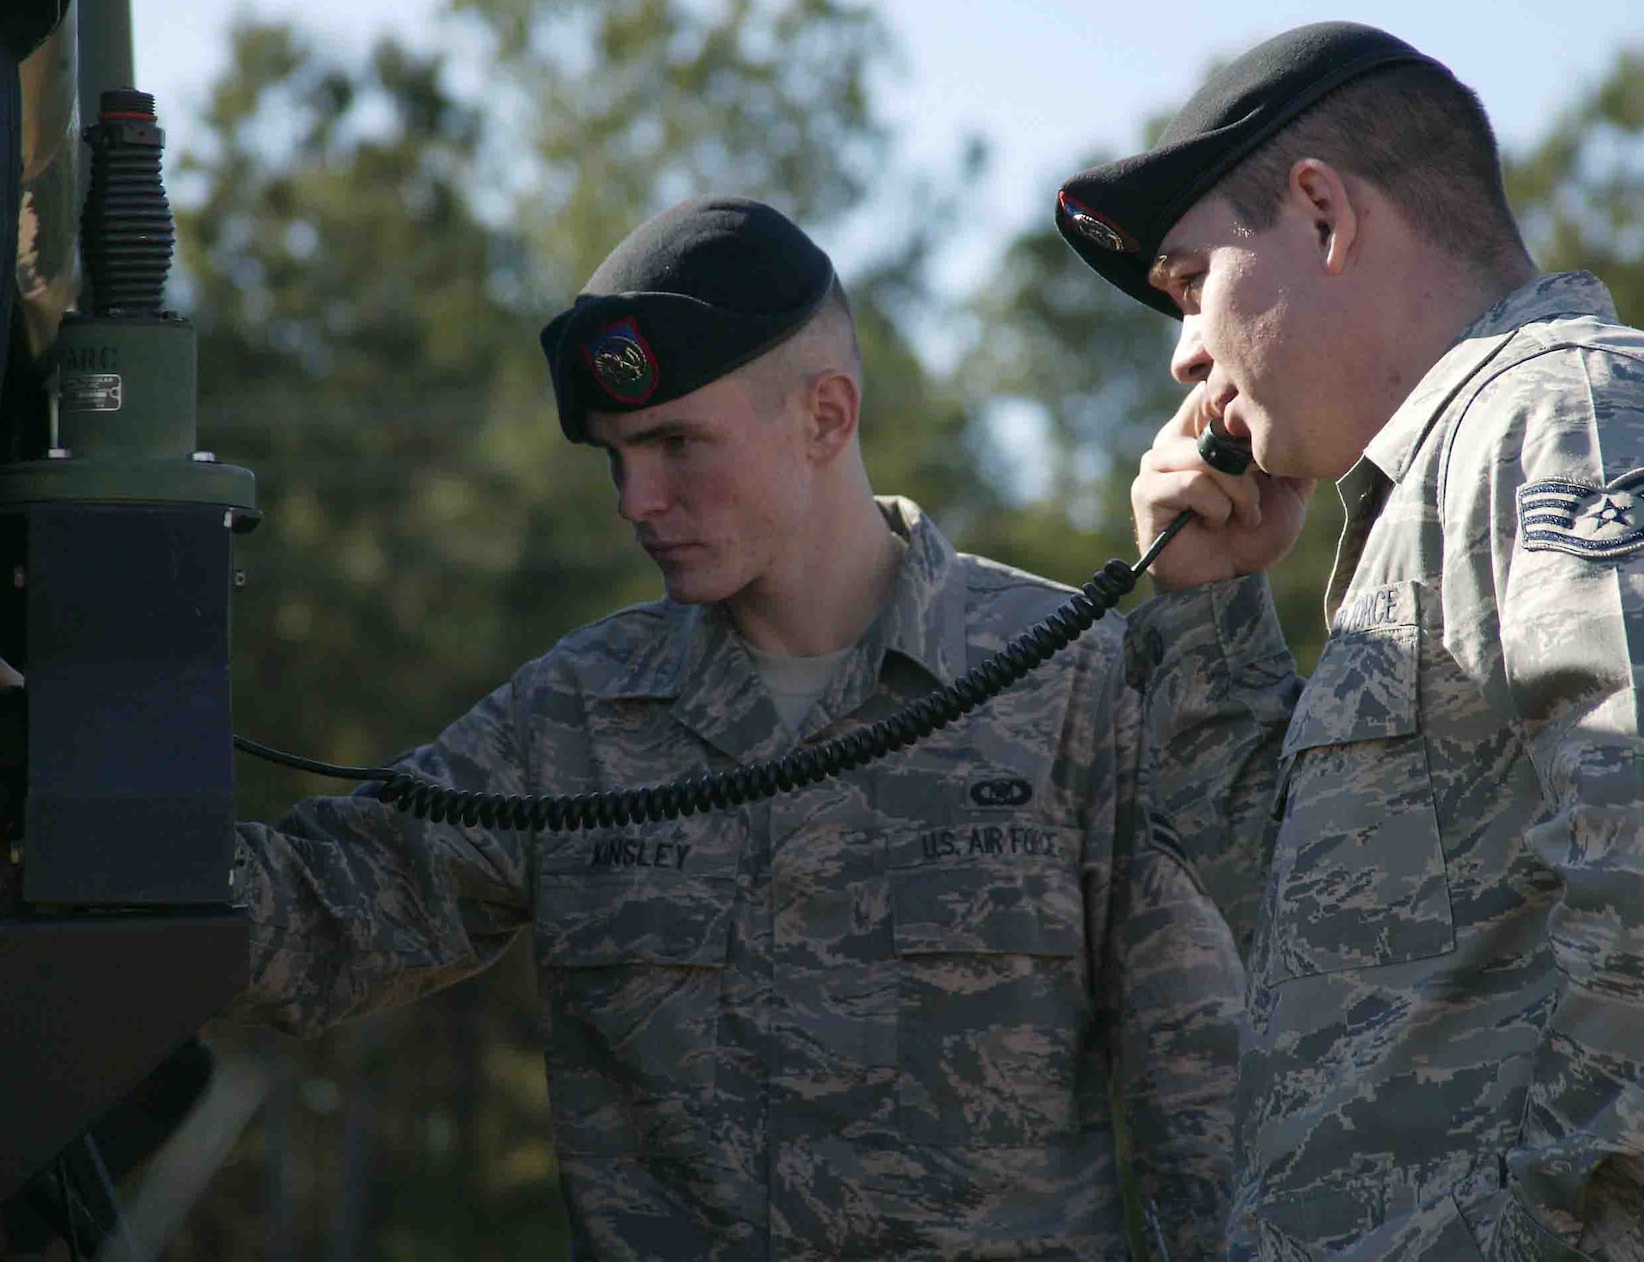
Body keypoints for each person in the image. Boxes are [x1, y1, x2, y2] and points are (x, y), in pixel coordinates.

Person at [229, 196, 1243, 1259]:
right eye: (615, 457)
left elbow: (1202, 1099)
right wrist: (68, 811)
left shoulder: (1063, 683)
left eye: (675, 444)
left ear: (825, 416)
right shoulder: (575, 719)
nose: (634, 500)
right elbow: (310, 922)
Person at [1055, 22, 1644, 1258]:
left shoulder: (1562, 415)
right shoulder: (1441, 489)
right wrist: (1207, 605)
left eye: (1188, 284)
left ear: (1323, 216)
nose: (1183, 354)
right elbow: (1314, 940)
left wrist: (1575, 1222)